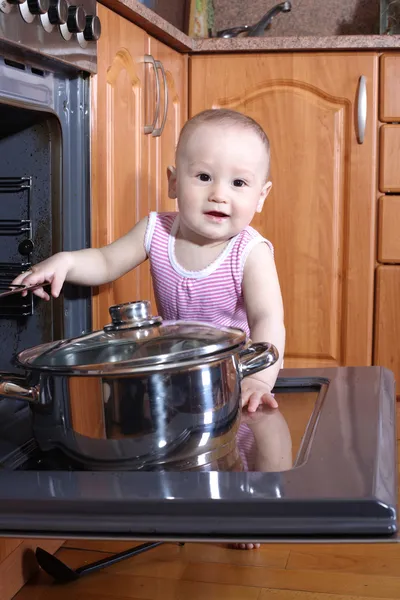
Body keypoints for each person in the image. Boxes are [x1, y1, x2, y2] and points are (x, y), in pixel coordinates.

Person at [13, 109, 286, 546]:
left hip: (230, 377)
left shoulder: (249, 251)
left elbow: (268, 320)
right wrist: (65, 261)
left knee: (238, 450)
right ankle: (180, 513)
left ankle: (248, 513)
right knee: (175, 449)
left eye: (239, 183)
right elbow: (104, 261)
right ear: (174, 181)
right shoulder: (156, 231)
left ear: (261, 195)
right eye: (203, 177)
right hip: (171, 373)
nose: (219, 195)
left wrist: (260, 378)